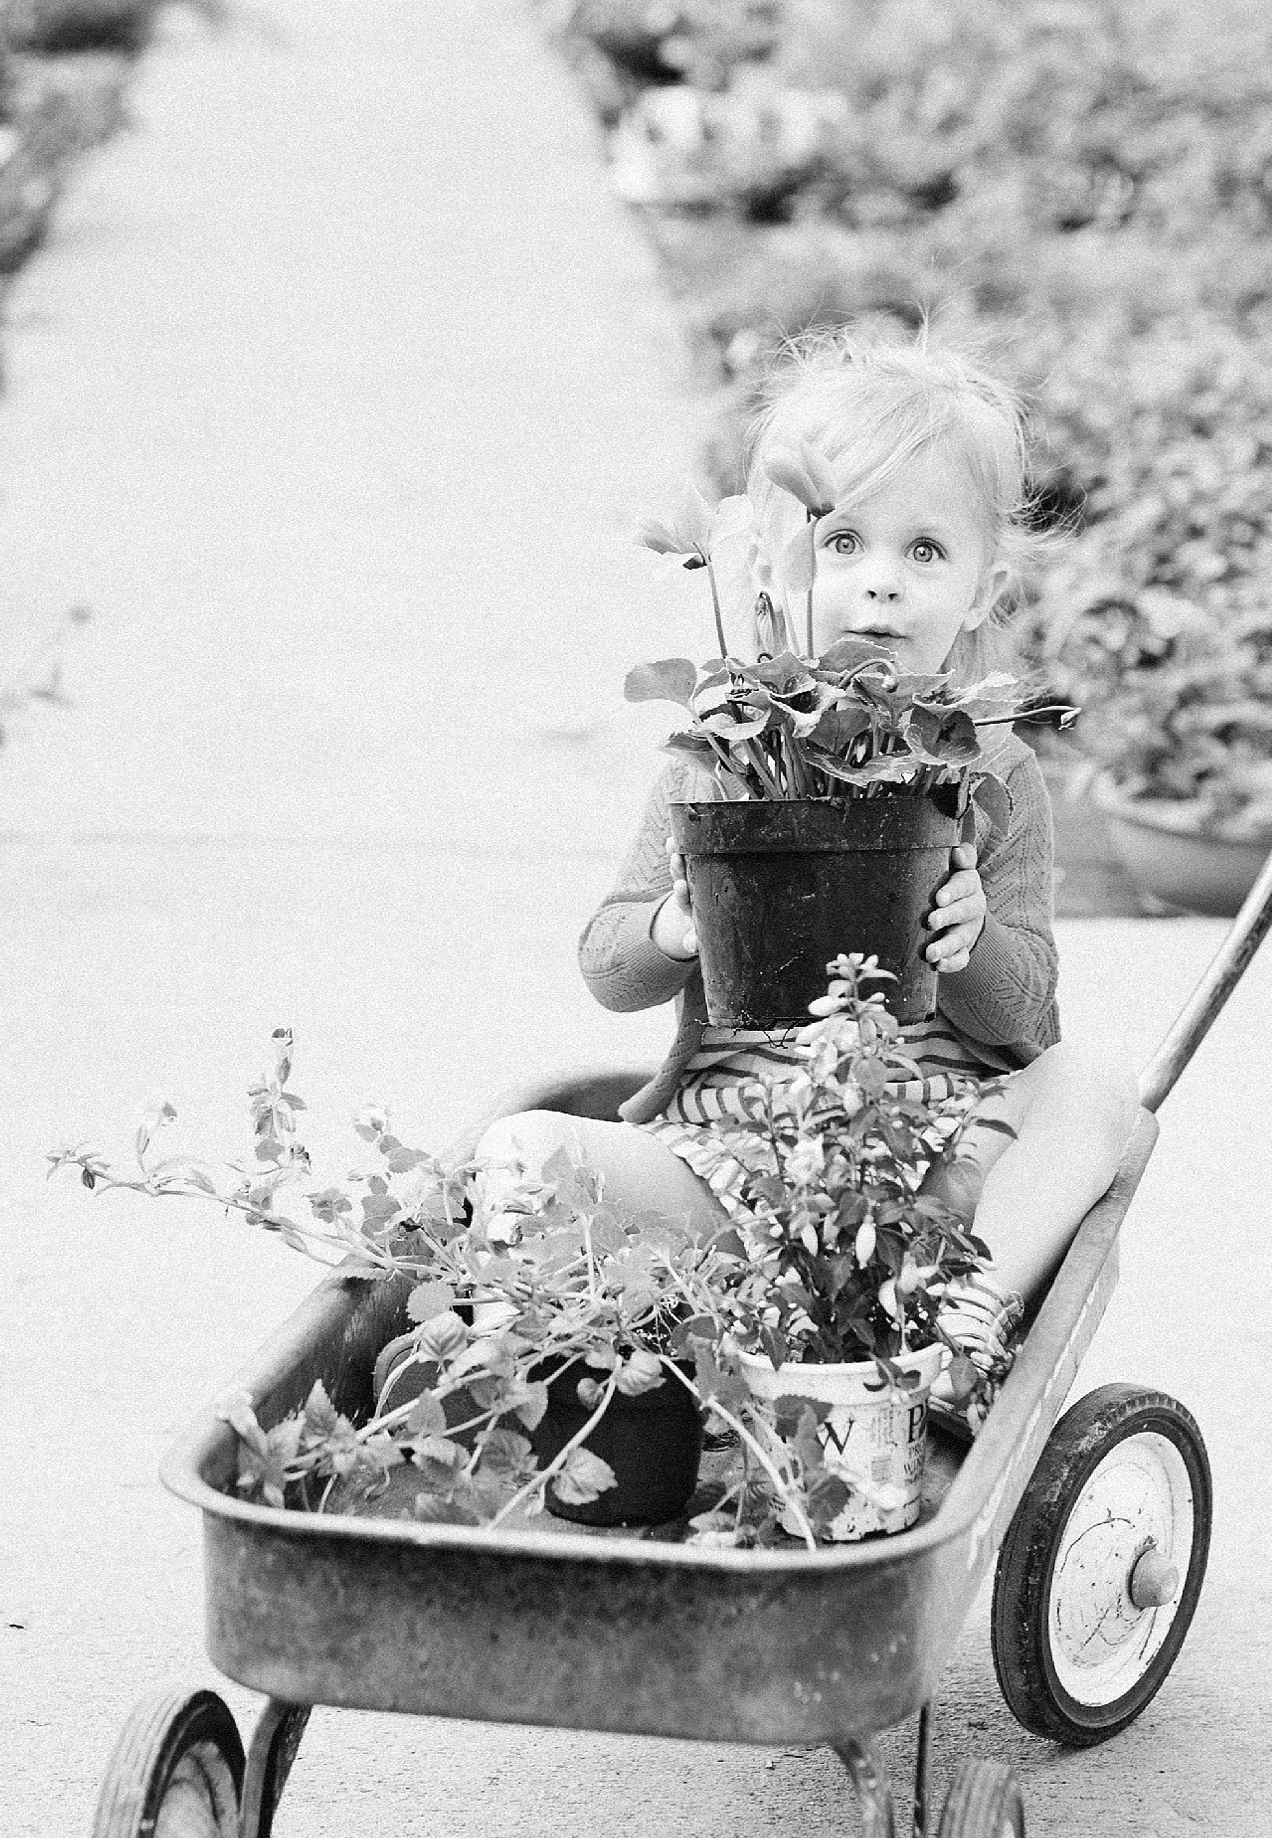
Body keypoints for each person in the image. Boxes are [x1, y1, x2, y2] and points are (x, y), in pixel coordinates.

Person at [474, 328, 1136, 1397]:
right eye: (843, 544)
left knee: (1100, 1091)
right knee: (523, 1148)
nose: (880, 586)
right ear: (778, 574)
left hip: (925, 1174)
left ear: (980, 588)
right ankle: (531, 1369)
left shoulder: (990, 764)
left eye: (925, 551)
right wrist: (672, 929)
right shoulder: (725, 751)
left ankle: (958, 1321)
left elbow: (1030, 1015)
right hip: (734, 1164)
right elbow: (605, 963)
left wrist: (970, 946)